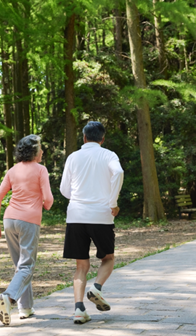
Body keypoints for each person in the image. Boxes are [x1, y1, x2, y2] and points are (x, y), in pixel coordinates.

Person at [60, 121, 124, 324]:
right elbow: (119, 173)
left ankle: (79, 310)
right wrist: (112, 202)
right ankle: (96, 289)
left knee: (81, 266)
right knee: (108, 258)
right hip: (101, 216)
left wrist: (77, 197)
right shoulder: (108, 155)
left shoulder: (73, 157)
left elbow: (64, 190)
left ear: (84, 137)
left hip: (76, 216)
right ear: (102, 139)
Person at [0, 134, 53, 326]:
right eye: (41, 148)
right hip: (29, 221)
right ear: (34, 152)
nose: (43, 151)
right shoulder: (41, 170)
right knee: (26, 266)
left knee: (20, 266)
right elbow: (49, 199)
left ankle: (25, 308)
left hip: (9, 220)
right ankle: (8, 297)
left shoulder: (12, 170)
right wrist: (45, 205)